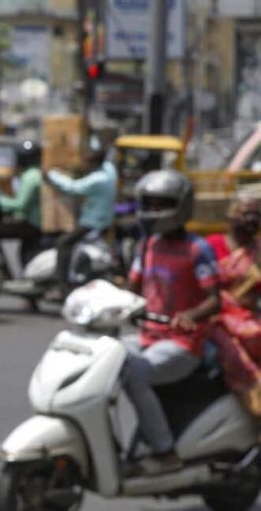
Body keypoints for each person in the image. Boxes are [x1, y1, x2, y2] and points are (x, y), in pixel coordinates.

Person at [123, 170, 220, 476]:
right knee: (103, 357)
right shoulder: (147, 245)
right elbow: (132, 289)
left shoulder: (197, 249)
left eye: (161, 204)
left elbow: (214, 300)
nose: (153, 210)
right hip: (148, 337)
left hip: (183, 344)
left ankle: (165, 452)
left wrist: (190, 316)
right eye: (149, 203)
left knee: (134, 374)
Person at [206, 196, 261, 414]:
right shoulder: (211, 245)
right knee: (231, 349)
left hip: (249, 316)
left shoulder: (258, 251)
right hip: (217, 316)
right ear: (230, 216)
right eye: (244, 213)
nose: (249, 219)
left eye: (255, 214)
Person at [45, 145, 117, 293]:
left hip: (93, 223)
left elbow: (72, 187)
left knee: (63, 243)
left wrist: (51, 174)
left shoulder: (97, 179)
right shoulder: (110, 170)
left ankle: (62, 285)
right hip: (103, 220)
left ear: (94, 163)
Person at [0, 139, 42, 265]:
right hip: (31, 221)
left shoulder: (30, 177)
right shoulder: (34, 174)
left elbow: (20, 204)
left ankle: (0, 266)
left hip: (32, 223)